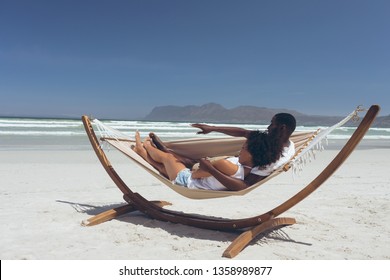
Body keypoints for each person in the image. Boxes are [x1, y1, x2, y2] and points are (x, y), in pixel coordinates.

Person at [149, 113, 297, 188]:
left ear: (282, 128)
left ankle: (163, 153)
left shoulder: (279, 158)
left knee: (193, 164)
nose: (268, 127)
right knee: (194, 161)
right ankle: (167, 151)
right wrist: (212, 129)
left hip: (230, 173)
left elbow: (244, 186)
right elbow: (243, 132)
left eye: (272, 124)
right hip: (236, 164)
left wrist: (212, 170)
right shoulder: (273, 142)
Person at [133, 130, 280, 191]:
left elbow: (196, 174)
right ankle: (144, 153)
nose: (240, 150)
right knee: (163, 168)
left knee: (168, 158)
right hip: (193, 184)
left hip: (187, 181)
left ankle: (146, 147)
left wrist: (206, 165)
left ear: (253, 154)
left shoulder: (227, 165)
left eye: (244, 148)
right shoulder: (248, 171)